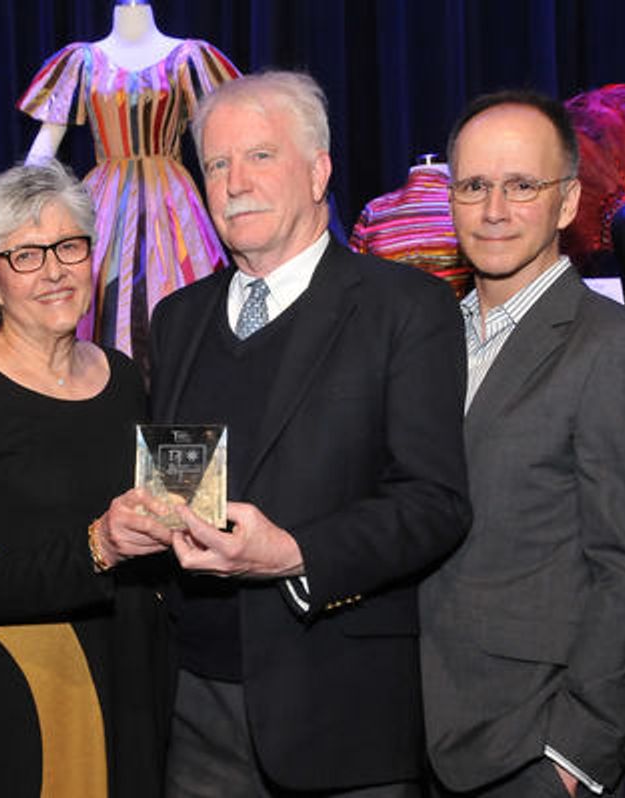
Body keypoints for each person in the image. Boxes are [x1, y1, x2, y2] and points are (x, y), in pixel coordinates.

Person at [149, 70, 471, 797]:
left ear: (320, 171)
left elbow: (435, 503)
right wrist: (150, 518)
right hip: (194, 707)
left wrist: (294, 553)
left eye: (260, 156)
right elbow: (181, 483)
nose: (235, 183)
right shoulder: (177, 319)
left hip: (341, 713)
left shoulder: (405, 307)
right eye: (217, 164)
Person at [419, 90, 625, 798]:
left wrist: (574, 759)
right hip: (418, 738)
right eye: (474, 186)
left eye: (521, 186)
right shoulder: (425, 342)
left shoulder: (622, 350)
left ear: (566, 203)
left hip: (532, 750)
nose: (494, 210)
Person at [0, 159, 173, 797]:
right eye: (25, 255)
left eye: (69, 246)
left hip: (132, 671)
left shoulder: (123, 376)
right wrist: (95, 548)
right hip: (17, 693)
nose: (54, 271)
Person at [19, 0, 239, 367]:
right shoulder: (83, 61)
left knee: (184, 295)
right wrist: (23, 208)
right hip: (105, 201)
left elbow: (219, 139)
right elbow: (45, 144)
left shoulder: (187, 57)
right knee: (100, 301)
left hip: (171, 201)